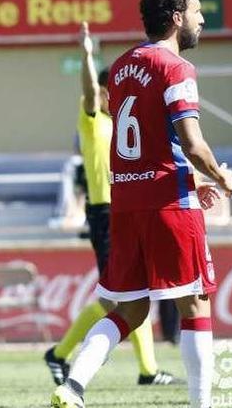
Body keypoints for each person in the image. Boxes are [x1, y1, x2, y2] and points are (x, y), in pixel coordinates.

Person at [51, 0, 232, 408]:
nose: (202, 19)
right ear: (176, 19)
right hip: (168, 204)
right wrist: (221, 176)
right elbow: (190, 143)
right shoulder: (176, 67)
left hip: (127, 205)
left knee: (129, 311)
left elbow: (146, 140)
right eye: (195, 11)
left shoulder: (119, 67)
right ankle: (202, 403)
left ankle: (73, 386)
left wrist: (192, 179)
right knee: (195, 303)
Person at [43, 22, 179, 389]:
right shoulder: (93, 121)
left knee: (126, 295)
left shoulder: (123, 123)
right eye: (110, 91)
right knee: (121, 297)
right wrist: (87, 56)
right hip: (104, 212)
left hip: (126, 210)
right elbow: (88, 91)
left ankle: (64, 355)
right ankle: (141, 369)